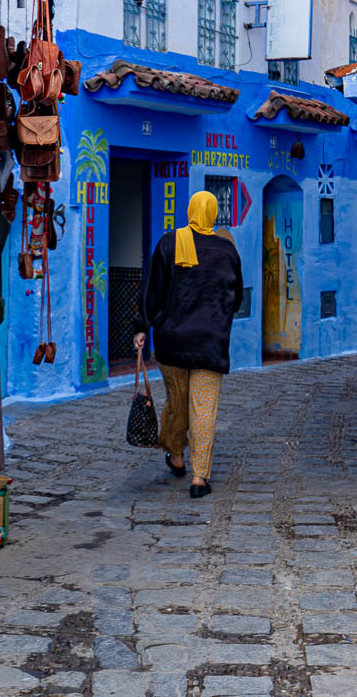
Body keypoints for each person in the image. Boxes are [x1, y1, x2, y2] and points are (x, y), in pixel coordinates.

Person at [133, 191, 244, 498]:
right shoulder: (226, 249)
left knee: (178, 403)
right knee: (204, 409)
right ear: (212, 214)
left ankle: (177, 456)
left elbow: (152, 291)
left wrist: (142, 327)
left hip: (172, 341)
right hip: (210, 343)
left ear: (190, 210)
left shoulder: (170, 243)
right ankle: (200, 478)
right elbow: (237, 299)